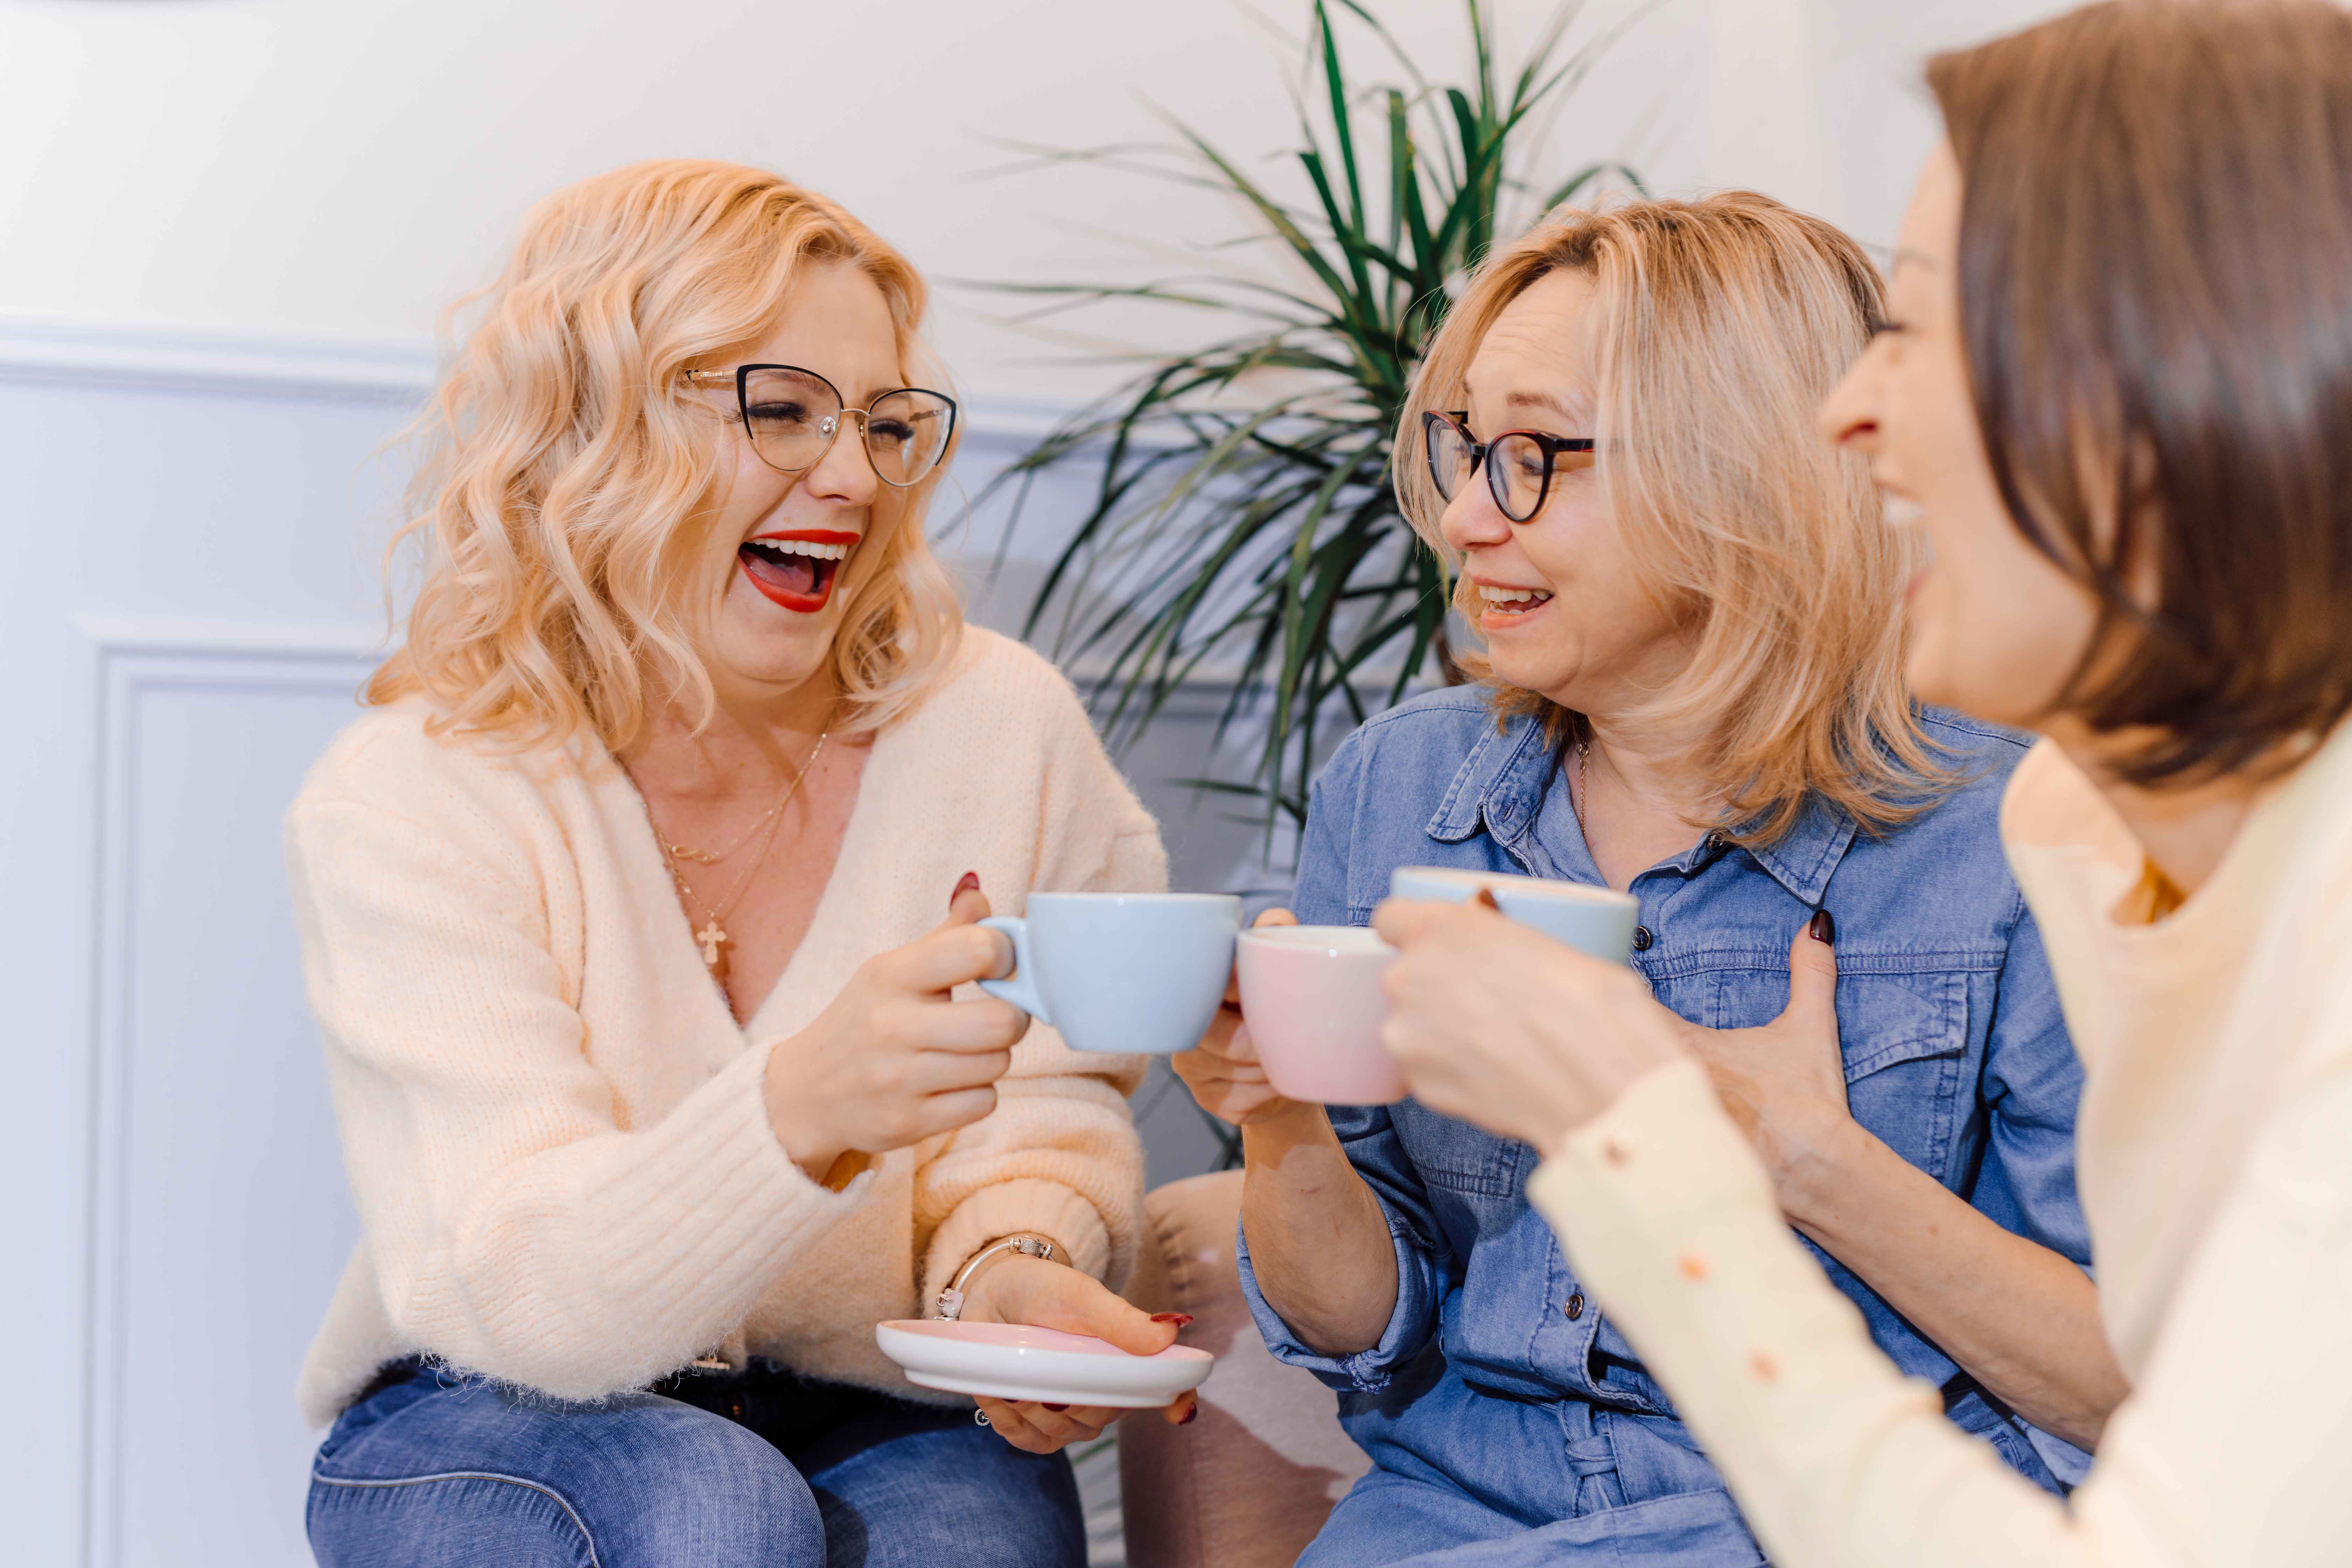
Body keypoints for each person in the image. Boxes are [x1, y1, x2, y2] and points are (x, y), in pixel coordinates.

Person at [1370, 4, 2352, 1564]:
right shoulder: (2098, 829)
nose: (1844, 417)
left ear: (2185, 395)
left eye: (1923, 331)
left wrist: (1665, 1139)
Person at [1174, 192, 2121, 1564]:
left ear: (1739, 474)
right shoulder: (1398, 796)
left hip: (1828, 1516)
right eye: (1464, 452)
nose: (1462, 520)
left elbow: (2126, 1389)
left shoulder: (2011, 825)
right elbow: (1369, 1348)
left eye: (1535, 455)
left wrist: (1815, 1166)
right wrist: (1279, 1124)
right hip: (1456, 1510)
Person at [292, 160, 1192, 1568]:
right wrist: (801, 1104)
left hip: (874, 1399)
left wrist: (1009, 1268)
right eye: (780, 410)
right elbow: (526, 1284)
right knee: (715, 1511)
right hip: (486, 1412)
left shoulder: (998, 728)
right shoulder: (420, 792)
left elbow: (1043, 1101)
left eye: (888, 422)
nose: (853, 476)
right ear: (595, 426)